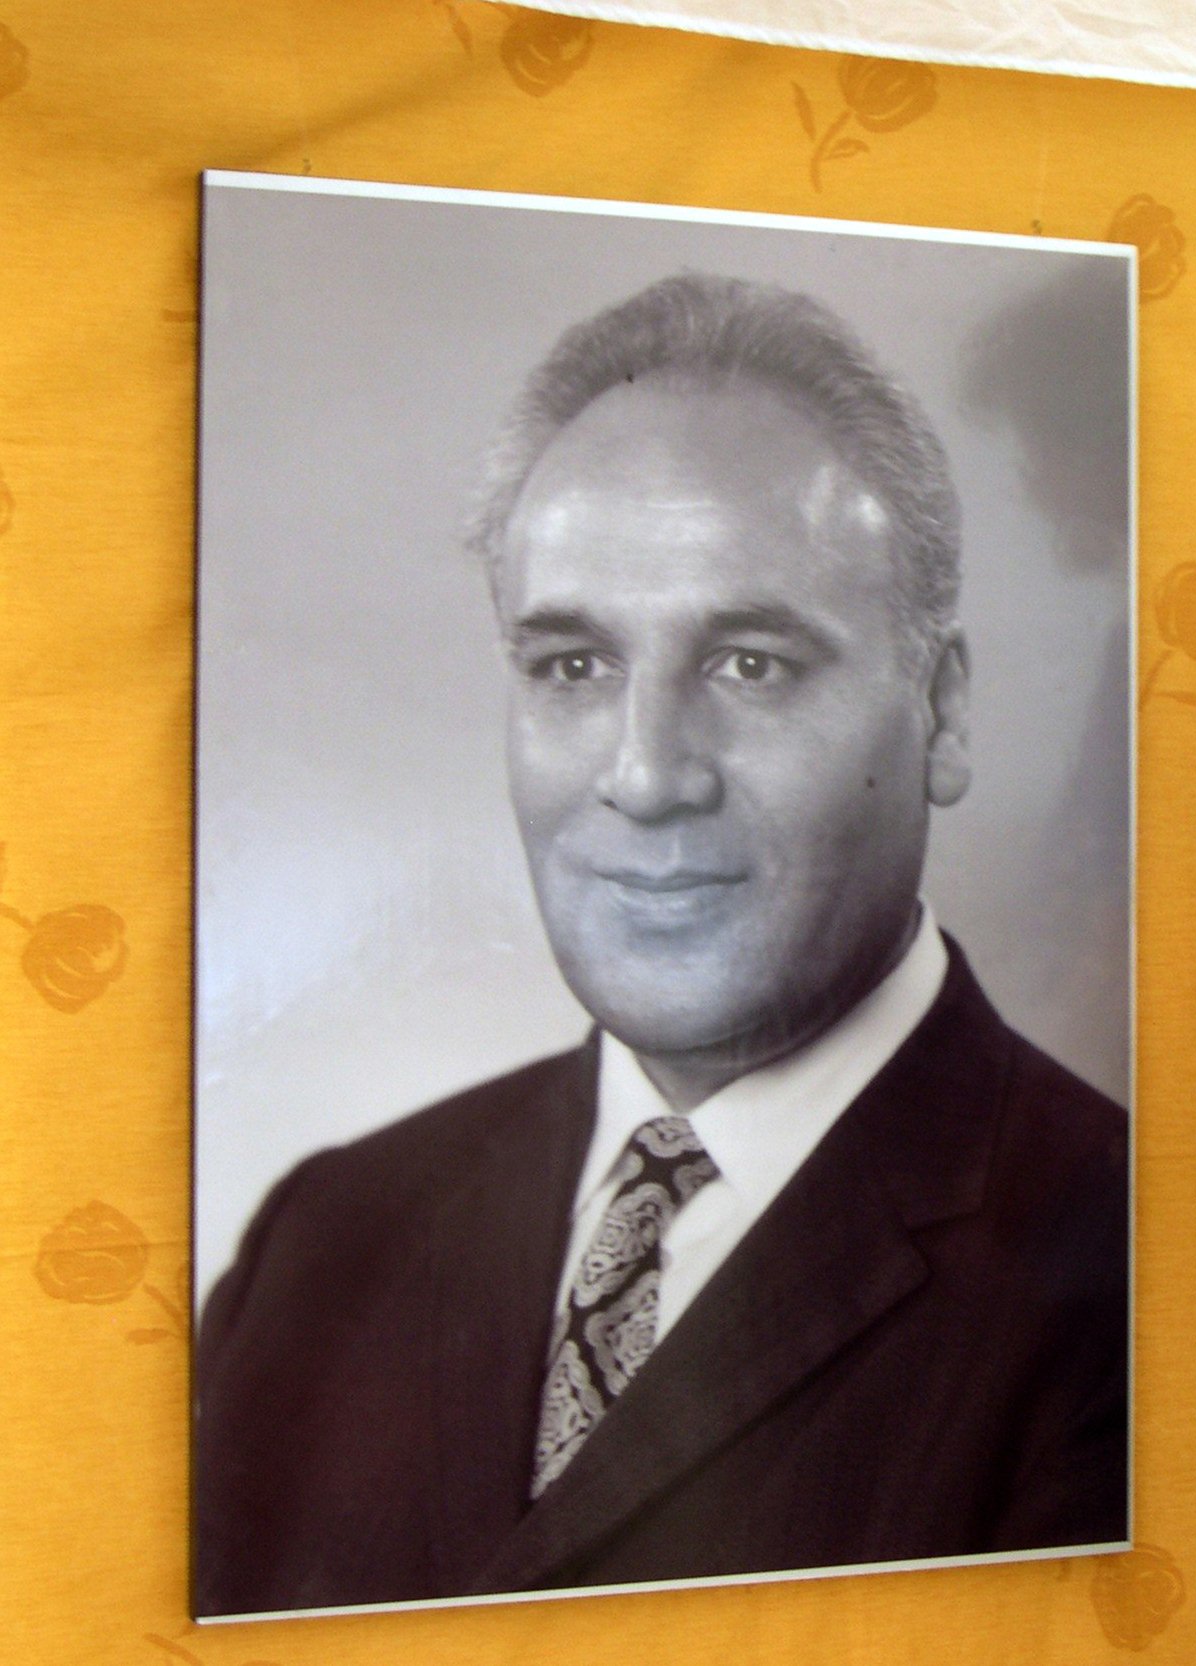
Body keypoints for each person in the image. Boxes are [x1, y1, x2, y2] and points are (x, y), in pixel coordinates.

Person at [194, 273, 1129, 1617]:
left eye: (750, 663)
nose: (645, 776)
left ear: (943, 710)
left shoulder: (1117, 1270)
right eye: (571, 666)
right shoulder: (320, 1243)